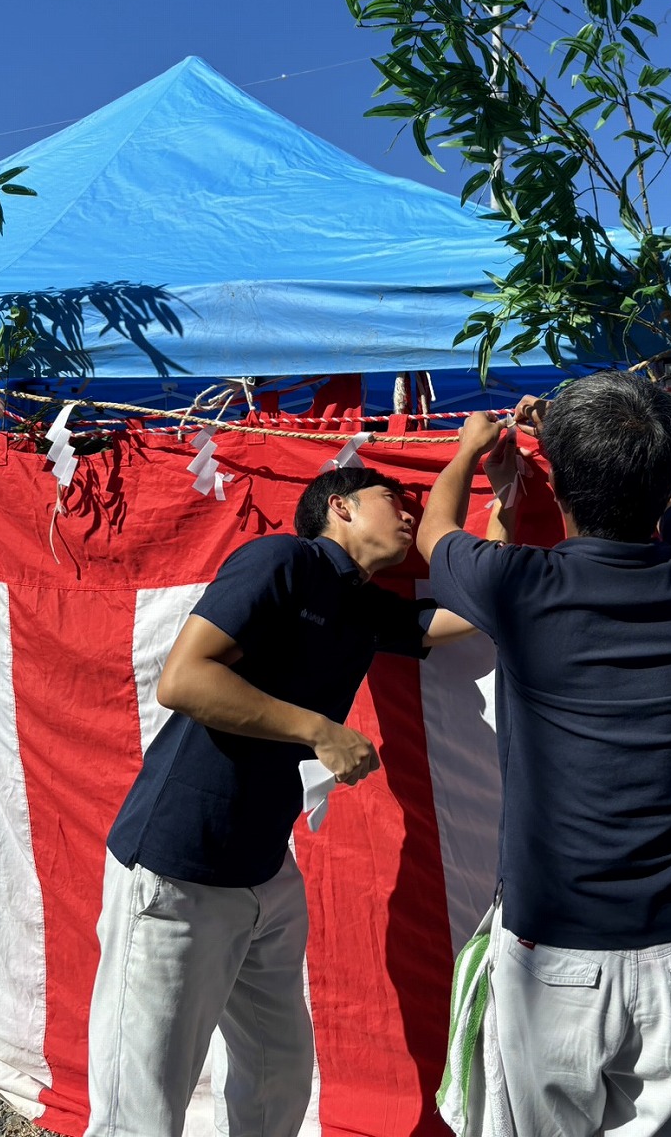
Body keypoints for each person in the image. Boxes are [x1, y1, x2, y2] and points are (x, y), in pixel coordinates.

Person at [85, 464, 479, 1137]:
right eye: (394, 500)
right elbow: (182, 679)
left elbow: (459, 613)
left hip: (267, 868)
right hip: (179, 866)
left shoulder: (360, 601)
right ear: (340, 508)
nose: (409, 514)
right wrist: (318, 729)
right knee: (142, 1103)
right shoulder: (282, 559)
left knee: (278, 1076)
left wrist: (488, 479)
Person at [417, 370, 671, 1137]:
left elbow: (436, 536)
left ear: (560, 486)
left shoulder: (519, 586)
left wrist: (468, 455)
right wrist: (626, 441)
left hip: (553, 954)